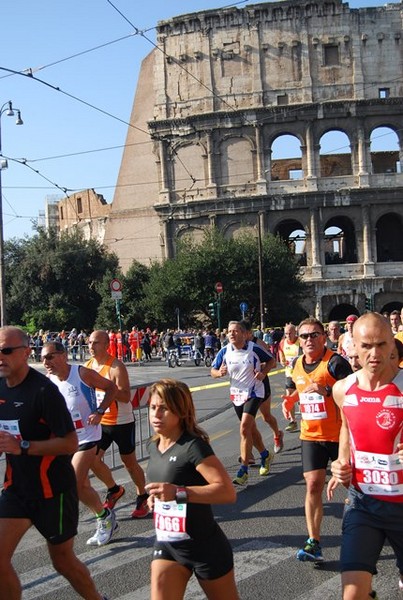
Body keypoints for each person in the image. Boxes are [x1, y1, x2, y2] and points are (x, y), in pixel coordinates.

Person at [0, 326, 108, 600]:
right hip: (16, 490)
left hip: (53, 492)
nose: (0, 357)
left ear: (25, 353)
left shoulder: (44, 391)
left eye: (6, 351)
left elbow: (70, 443)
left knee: (62, 561)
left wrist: (23, 446)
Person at [327, 313, 403, 598]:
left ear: (392, 344)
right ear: (353, 346)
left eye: (382, 345)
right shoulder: (343, 389)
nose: (375, 354)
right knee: (352, 593)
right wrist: (340, 462)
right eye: (367, 346)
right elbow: (347, 427)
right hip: (363, 504)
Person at [145, 379, 239, 600]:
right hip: (168, 544)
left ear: (180, 411)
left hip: (205, 548)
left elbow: (227, 492)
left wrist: (178, 492)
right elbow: (165, 487)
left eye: (164, 408)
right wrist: (155, 500)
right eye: (152, 408)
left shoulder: (193, 446)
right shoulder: (153, 444)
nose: (156, 415)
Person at [282, 317, 352, 563]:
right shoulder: (296, 363)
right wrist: (288, 403)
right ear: (298, 341)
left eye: (314, 335)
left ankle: (378, 527)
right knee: (313, 485)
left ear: (324, 337)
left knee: (354, 486)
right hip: (310, 435)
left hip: (339, 436)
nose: (309, 340)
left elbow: (354, 395)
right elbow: (292, 389)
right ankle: (314, 542)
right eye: (304, 336)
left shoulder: (335, 363)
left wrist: (328, 391)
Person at [41, 341, 118, 547]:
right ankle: (104, 516)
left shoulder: (82, 374)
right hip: (67, 439)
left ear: (63, 355)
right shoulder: (50, 381)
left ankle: (96, 520)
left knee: (73, 483)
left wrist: (100, 411)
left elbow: (111, 388)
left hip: (88, 437)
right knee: (82, 486)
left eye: (50, 356)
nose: (46, 362)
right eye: (42, 358)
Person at [86, 330, 149, 518]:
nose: (91, 346)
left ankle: (142, 495)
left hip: (121, 422)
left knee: (129, 463)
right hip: (100, 423)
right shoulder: (87, 367)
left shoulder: (115, 367)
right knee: (92, 459)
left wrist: (107, 389)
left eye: (96, 343)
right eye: (89, 342)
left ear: (106, 345)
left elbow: (125, 396)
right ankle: (114, 489)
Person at [211, 320, 275, 486]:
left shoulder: (254, 349)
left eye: (235, 331)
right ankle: (265, 455)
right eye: (229, 331)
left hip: (254, 391)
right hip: (237, 394)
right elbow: (213, 371)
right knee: (250, 430)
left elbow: (271, 361)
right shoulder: (224, 351)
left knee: (244, 427)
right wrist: (219, 373)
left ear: (244, 334)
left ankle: (243, 469)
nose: (231, 334)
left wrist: (263, 373)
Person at [241, 320, 283, 455]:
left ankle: (277, 434)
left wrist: (261, 370)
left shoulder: (259, 344)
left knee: (266, 417)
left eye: (242, 332)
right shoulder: (235, 346)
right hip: (244, 388)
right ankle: (250, 454)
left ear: (248, 333)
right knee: (247, 423)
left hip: (260, 384)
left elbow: (273, 363)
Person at [278, 323, 301, 433]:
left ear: (295, 332)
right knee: (289, 397)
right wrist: (282, 361)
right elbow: (281, 352)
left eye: (290, 333)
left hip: (302, 374)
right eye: (286, 333)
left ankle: (307, 418)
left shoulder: (300, 341)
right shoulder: (283, 342)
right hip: (290, 374)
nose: (288, 335)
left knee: (303, 397)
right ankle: (293, 421)